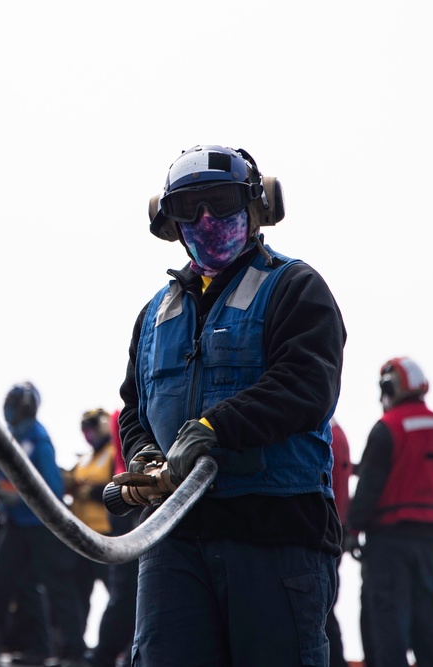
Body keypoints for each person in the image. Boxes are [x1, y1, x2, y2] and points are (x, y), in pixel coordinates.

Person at [114, 145, 346, 666]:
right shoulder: (155, 313)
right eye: (188, 209)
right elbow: (134, 405)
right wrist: (146, 454)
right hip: (173, 539)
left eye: (220, 203)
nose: (205, 220)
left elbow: (306, 384)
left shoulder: (294, 288)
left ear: (257, 206)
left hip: (274, 535)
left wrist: (212, 428)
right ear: (167, 220)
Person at [348, 357, 433, 667]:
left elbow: (369, 488)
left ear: (390, 387)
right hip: (428, 543)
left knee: (385, 622)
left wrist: (351, 531)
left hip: (387, 542)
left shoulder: (388, 428)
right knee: (428, 621)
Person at [0, 382, 87, 667]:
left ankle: (74, 654)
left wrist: (12, 493)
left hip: (43, 527)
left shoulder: (38, 439)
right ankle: (34, 650)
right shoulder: (12, 437)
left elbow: (52, 489)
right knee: (10, 584)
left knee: (58, 588)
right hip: (16, 524)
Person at [62, 409, 117, 656]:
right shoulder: (84, 459)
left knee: (118, 595)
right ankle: (74, 648)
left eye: (92, 429)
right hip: (81, 537)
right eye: (85, 430)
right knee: (77, 595)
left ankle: (119, 647)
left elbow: (120, 487)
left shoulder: (114, 453)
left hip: (106, 535)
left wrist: (92, 492)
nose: (89, 434)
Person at [86, 408, 138, 667]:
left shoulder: (121, 413)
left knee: (129, 591)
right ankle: (105, 657)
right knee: (126, 591)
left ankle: (118, 656)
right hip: (131, 507)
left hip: (129, 509)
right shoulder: (124, 412)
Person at [327, 418, 352, 667]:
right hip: (337, 530)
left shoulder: (326, 433)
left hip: (324, 532)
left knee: (320, 615)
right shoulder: (337, 432)